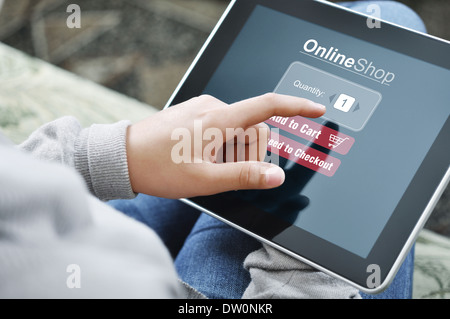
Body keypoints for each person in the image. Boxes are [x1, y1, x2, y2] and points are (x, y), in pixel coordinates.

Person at [0, 1, 426, 299]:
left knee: (381, 25)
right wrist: (308, 253)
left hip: (81, 227)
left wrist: (113, 157)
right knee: (391, 20)